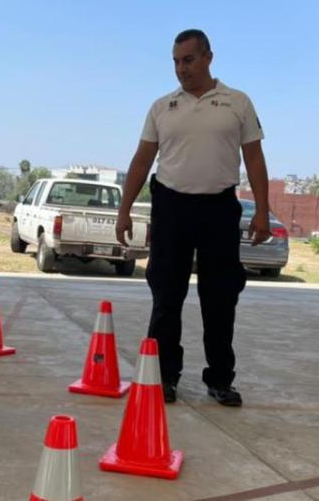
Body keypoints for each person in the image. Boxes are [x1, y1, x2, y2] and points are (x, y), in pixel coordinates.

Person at [115, 29, 272, 407]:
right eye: (175, 62)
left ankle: (220, 379)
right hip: (171, 208)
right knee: (166, 294)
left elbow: (254, 158)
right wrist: (124, 210)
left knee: (220, 297)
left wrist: (263, 211)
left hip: (219, 209)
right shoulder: (162, 107)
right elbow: (142, 160)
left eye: (188, 60)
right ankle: (164, 376)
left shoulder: (237, 102)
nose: (181, 69)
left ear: (208, 58)